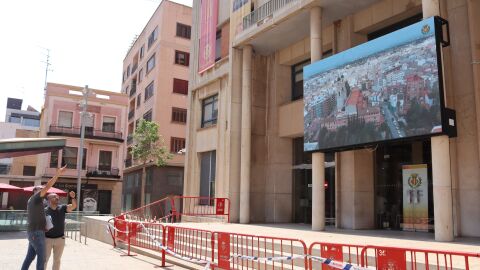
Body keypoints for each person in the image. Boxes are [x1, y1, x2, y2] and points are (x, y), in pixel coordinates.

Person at [21, 166, 66, 270]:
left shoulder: (34, 201)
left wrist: (44, 224)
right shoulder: (36, 198)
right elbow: (48, 186)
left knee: (30, 257)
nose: (43, 191)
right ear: (35, 191)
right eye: (40, 189)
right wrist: (57, 174)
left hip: (34, 231)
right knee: (42, 258)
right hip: (36, 233)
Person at [44, 190, 77, 270]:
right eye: (54, 197)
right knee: (44, 260)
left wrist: (73, 198)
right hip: (47, 239)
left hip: (60, 239)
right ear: (49, 200)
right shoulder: (45, 210)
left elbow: (73, 206)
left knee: (57, 260)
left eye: (57, 196)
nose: (57, 197)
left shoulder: (62, 207)